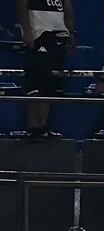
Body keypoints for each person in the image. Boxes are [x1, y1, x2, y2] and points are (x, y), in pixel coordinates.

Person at [17, 0, 75, 141]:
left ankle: (42, 127)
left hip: (58, 35)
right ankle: (32, 128)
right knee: (37, 84)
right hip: (39, 34)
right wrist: (27, 31)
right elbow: (21, 6)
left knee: (50, 85)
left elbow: (68, 10)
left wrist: (71, 34)